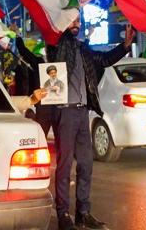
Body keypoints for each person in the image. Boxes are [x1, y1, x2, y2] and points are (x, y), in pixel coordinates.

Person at [46, 15, 135, 230]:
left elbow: (104, 60)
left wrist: (124, 46)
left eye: (78, 21)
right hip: (65, 112)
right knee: (65, 166)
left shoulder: (83, 49)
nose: (76, 24)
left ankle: (83, 213)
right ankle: (63, 214)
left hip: (82, 112)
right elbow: (57, 51)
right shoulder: (57, 47)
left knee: (86, 164)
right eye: (71, 21)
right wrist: (61, 28)